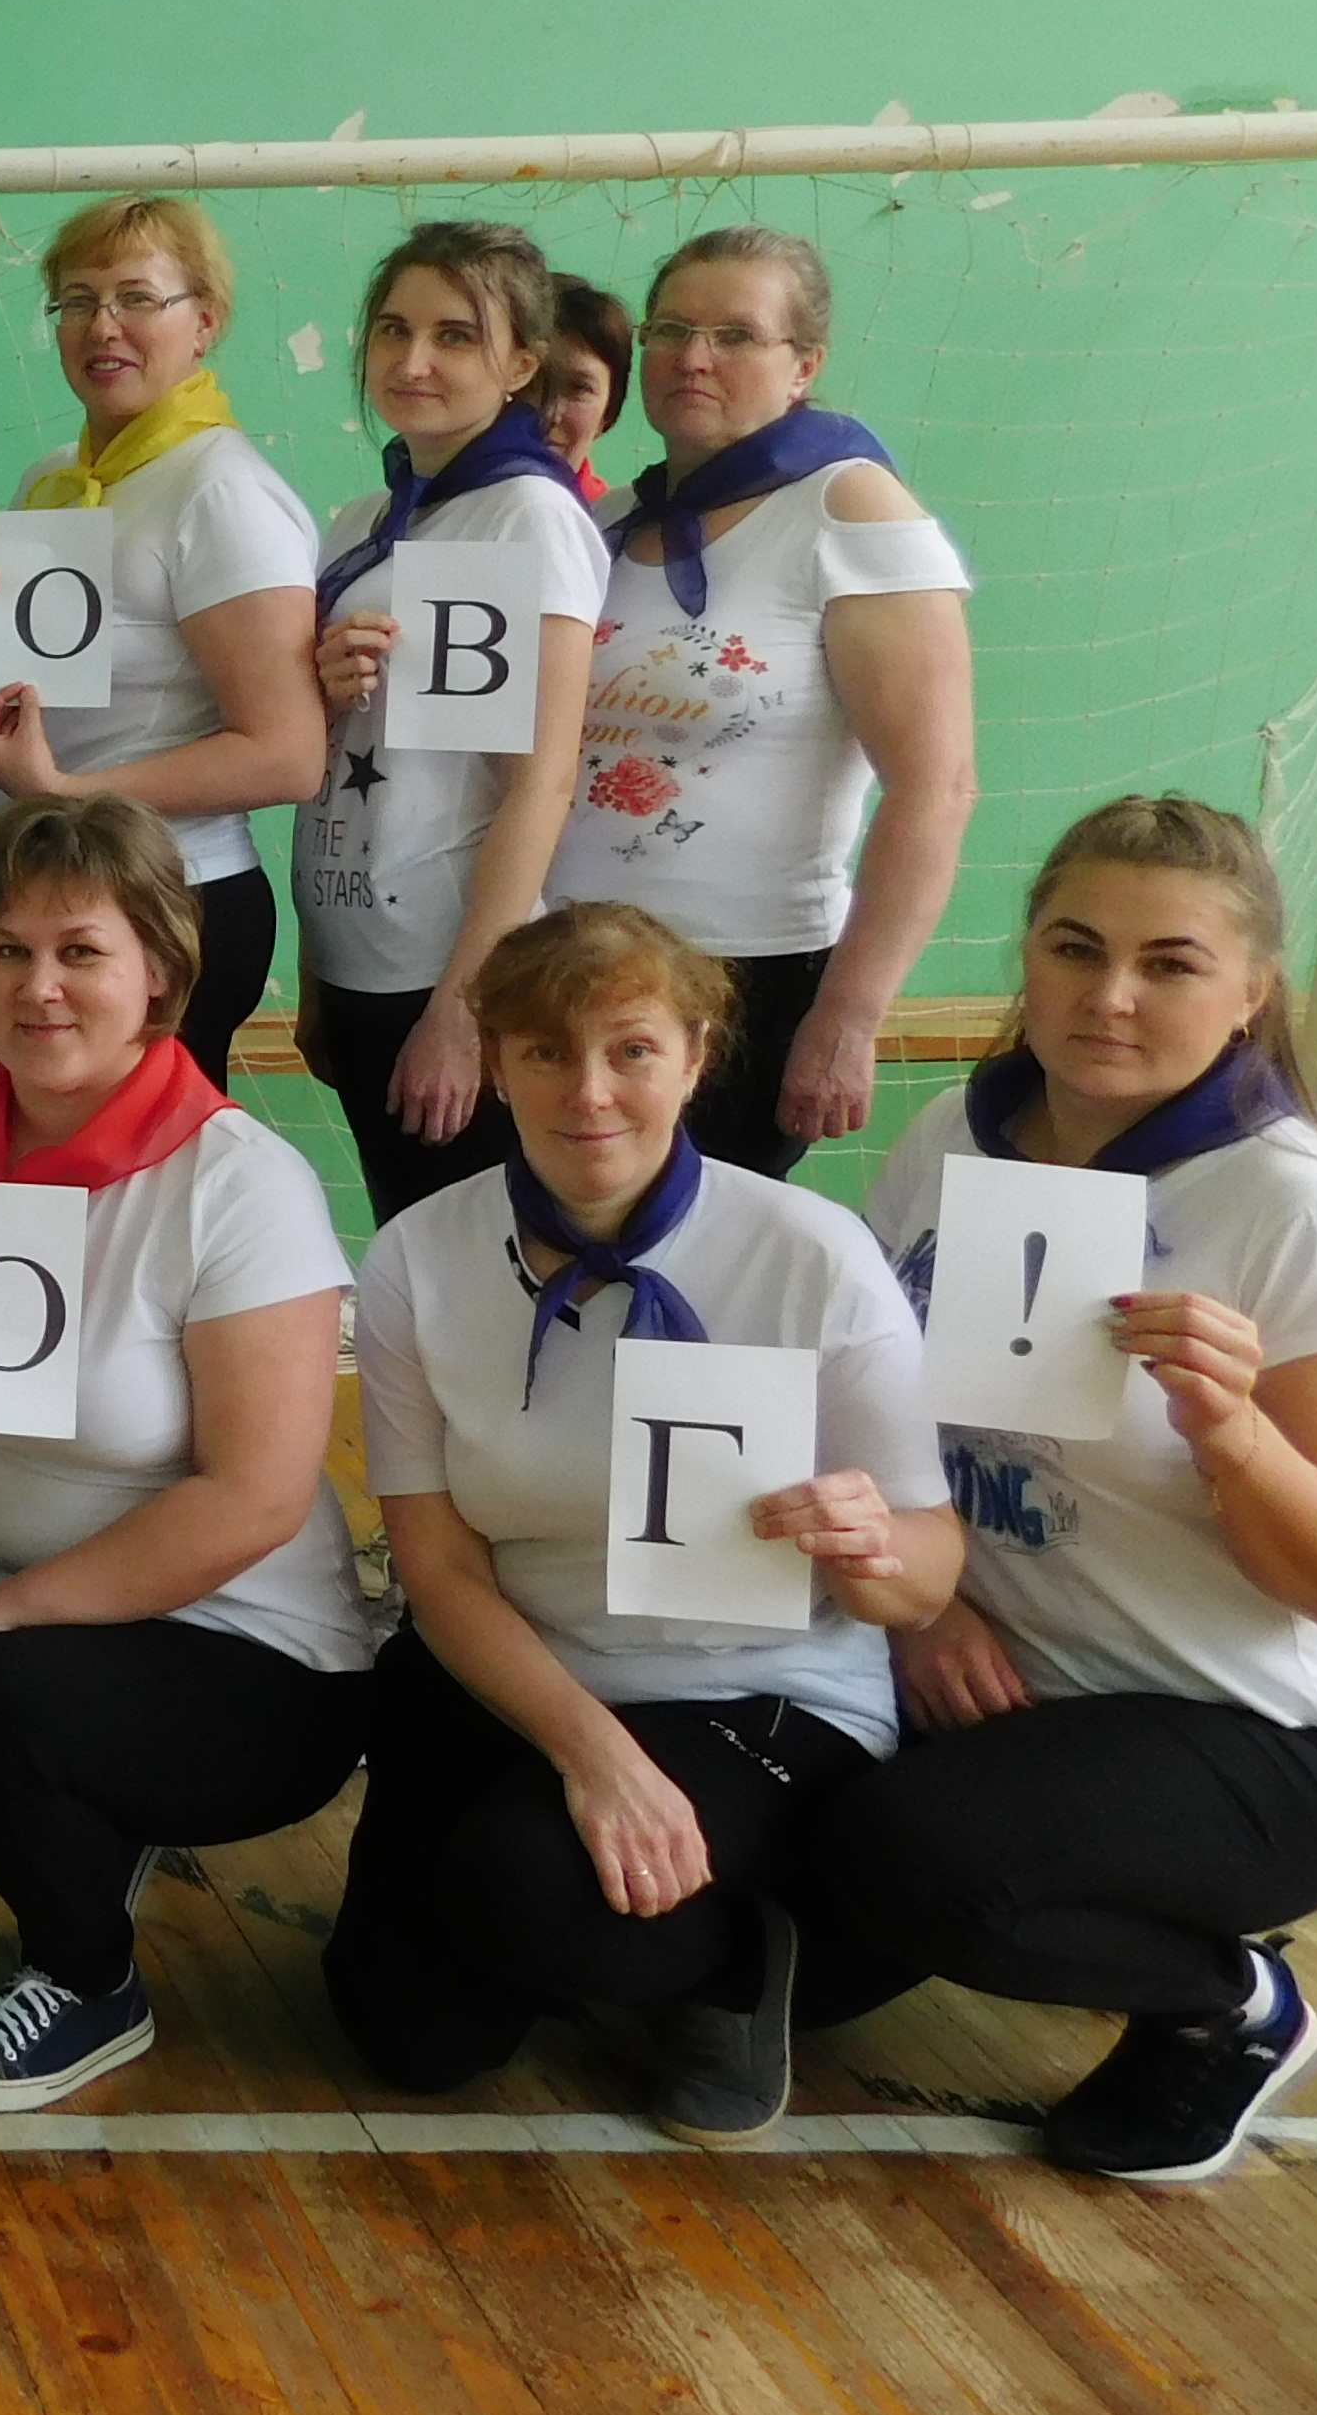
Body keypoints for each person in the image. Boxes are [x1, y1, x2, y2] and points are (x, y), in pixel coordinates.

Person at [814, 799, 1317, 2184]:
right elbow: (864, 1406)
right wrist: (919, 1609)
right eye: (1076, 949)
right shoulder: (958, 1131)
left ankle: (1230, 2004)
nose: (1109, 996)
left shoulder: (1297, 1210)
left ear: (1252, 994)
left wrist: (1236, 1437)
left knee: (912, 1863)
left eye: (1170, 964)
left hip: (1251, 1727)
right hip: (988, 1678)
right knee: (753, 1926)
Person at [0, 795, 360, 2111]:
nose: (38, 987)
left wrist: (0, 1617)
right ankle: (90, 1803)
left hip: (247, 1642)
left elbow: (256, 1499)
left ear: (160, 970)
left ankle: (88, 1980)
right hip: (12, 1611)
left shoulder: (240, 1180)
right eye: (7, 951)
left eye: (81, 950)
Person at [322, 905, 957, 2143]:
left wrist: (871, 1548)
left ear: (697, 1056)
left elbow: (927, 1574)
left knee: (528, 1899)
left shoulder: (812, 1254)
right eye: (546, 1053)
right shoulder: (418, 1257)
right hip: (525, 1675)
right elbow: (440, 1570)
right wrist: (593, 1754)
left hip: (754, 1688)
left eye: (631, 1050)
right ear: (495, 1063)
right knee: (409, 2037)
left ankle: (746, 1961)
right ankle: (604, 1902)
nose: (590, 1093)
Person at [550, 224, 976, 1178]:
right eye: (670, 330)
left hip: (745, 987)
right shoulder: (604, 523)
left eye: (736, 335)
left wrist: (849, 1017)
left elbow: (938, 788)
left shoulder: (850, 510)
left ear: (804, 366)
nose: (693, 358)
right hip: (565, 972)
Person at [0, 197, 325, 1083]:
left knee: (142, 1167)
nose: (102, 326)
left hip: (172, 901)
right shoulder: (54, 482)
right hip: (47, 895)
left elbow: (287, 755)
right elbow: (63, 708)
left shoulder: (223, 492)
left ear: (205, 322)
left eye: (137, 298)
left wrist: (65, 793)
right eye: (77, 301)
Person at [293, 225, 612, 1222]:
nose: (413, 360)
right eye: (394, 329)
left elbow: (541, 781)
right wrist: (316, 971)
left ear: (521, 365)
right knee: (410, 1255)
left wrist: (466, 1010)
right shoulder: (364, 521)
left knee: (480, 1264)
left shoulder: (527, 515)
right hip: (355, 956)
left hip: (445, 972)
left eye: (455, 336)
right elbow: (335, 753)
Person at [539, 276, 633, 504]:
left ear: (609, 411)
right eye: (529, 383)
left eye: (579, 388)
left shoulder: (607, 522)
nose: (549, 413)